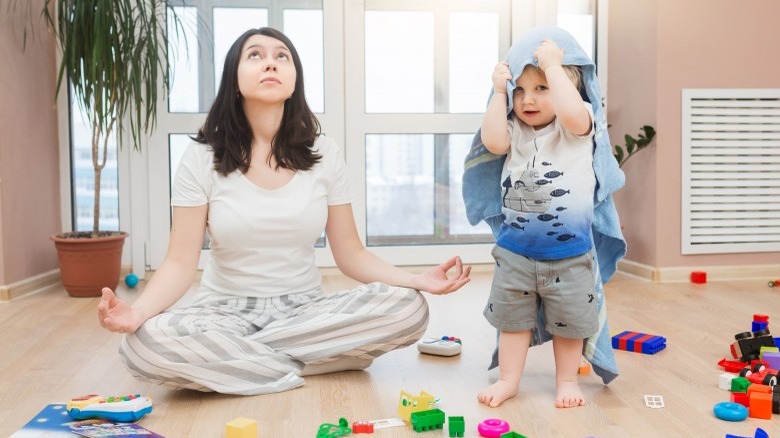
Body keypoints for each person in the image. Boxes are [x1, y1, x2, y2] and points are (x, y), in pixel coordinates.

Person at [96, 27, 471, 396]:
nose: (270, 63)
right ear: (234, 79)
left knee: (408, 309)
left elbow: (351, 254)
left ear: (294, 81)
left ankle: (243, 365)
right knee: (142, 345)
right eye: (255, 55)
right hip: (221, 313)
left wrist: (415, 281)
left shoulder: (323, 153)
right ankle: (318, 359)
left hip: (306, 310)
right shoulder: (201, 157)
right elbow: (179, 263)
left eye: (282, 57)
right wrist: (138, 313)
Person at [476, 35, 606, 409]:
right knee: (512, 322)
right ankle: (508, 379)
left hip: (569, 253)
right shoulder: (516, 131)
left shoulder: (576, 126)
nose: (527, 99)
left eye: (541, 88)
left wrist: (552, 64)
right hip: (515, 252)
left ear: (569, 87)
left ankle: (566, 381)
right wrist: (499, 93)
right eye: (521, 90)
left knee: (570, 323)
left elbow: (573, 113)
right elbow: (493, 141)